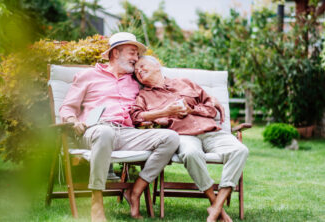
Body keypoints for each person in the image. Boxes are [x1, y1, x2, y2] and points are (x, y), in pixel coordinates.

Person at [59, 33, 179, 221]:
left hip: (127, 133)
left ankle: (136, 190)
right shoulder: (87, 76)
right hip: (94, 130)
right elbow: (67, 107)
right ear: (115, 53)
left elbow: (158, 89)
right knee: (105, 132)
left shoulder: (135, 81)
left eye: (137, 55)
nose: (136, 59)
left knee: (170, 138)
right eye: (132, 53)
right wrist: (73, 121)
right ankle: (97, 200)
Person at [130, 56, 249, 222]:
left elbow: (211, 109)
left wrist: (191, 109)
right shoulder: (144, 96)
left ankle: (216, 207)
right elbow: (136, 117)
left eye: (142, 66)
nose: (139, 71)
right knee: (191, 154)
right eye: (136, 71)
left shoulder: (185, 82)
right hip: (183, 135)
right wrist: (164, 112)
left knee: (240, 150)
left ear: (157, 66)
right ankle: (214, 203)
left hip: (211, 131)